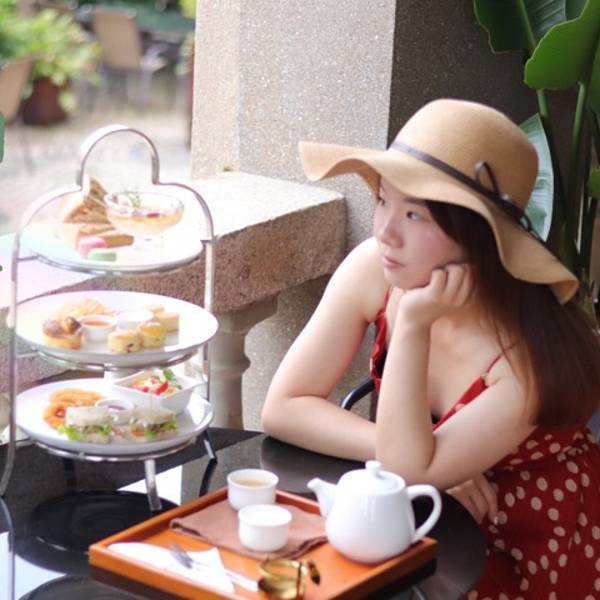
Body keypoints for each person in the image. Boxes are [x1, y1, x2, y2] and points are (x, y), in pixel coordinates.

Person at [261, 99, 600, 598]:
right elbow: (282, 407)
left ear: (479, 233)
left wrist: (415, 323)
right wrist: (429, 461)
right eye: (383, 200)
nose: (385, 231)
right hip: (413, 511)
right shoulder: (375, 269)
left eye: (415, 214)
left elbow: (407, 467)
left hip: (527, 541)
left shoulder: (525, 358)